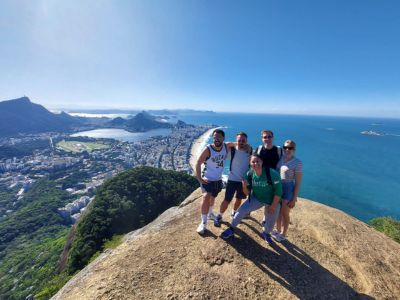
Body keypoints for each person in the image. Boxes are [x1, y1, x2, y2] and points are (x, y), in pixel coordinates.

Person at [221, 154, 282, 245]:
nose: (255, 163)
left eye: (258, 161)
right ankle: (231, 228)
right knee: (240, 211)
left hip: (271, 201)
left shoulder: (272, 173)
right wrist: (244, 187)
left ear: (262, 162)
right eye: (253, 162)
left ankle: (266, 233)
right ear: (250, 163)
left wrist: (273, 205)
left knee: (271, 222)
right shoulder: (249, 174)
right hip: (257, 198)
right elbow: (247, 193)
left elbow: (278, 192)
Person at [214, 132, 252, 227]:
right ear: (236, 140)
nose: (241, 142)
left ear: (246, 141)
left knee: (239, 199)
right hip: (232, 179)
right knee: (227, 199)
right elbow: (224, 144)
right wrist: (237, 143)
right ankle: (219, 216)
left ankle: (234, 212)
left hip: (243, 181)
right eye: (239, 140)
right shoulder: (232, 150)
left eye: (243, 141)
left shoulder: (250, 150)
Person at [195, 129, 228, 235]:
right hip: (208, 178)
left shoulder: (226, 147)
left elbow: (236, 143)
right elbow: (198, 163)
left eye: (218, 137)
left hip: (218, 179)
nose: (216, 139)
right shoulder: (208, 149)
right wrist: (199, 178)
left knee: (213, 197)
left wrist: (245, 145)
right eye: (214, 137)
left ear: (223, 138)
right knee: (206, 197)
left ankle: (210, 214)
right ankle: (203, 223)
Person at [272, 140, 303, 242]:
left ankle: (284, 234)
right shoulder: (280, 159)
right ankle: (278, 230)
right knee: (278, 212)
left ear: (294, 149)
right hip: (278, 187)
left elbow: (298, 182)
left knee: (285, 212)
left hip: (288, 188)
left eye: (290, 148)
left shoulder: (297, 162)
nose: (287, 150)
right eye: (285, 147)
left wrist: (294, 198)